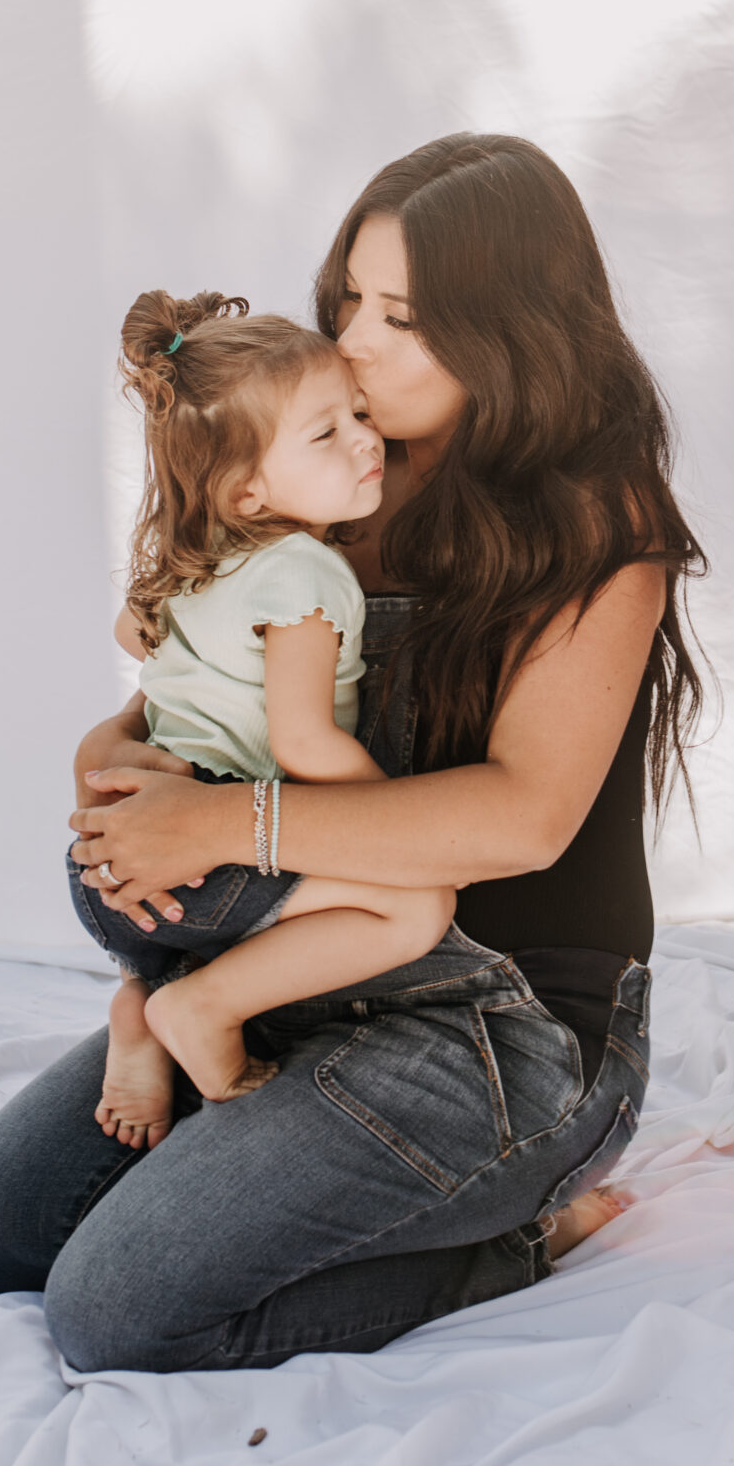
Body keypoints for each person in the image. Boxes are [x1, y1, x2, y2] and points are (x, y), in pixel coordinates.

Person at [0, 133, 703, 1369]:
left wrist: (222, 826)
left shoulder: (601, 523)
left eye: (402, 315)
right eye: (349, 294)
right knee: (1, 1229)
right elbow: (207, 692)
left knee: (111, 1313)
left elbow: (525, 817)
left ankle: (524, 1229)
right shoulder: (324, 473)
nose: (352, 337)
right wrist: (127, 755)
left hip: (505, 1024)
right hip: (302, 962)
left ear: (513, 331)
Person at [75, 291, 455, 1146]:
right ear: (248, 493)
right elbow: (302, 741)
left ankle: (139, 1005)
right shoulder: (305, 573)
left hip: (122, 875)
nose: (366, 439)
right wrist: (390, 819)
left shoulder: (193, 561)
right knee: (416, 903)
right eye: (325, 434)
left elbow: (130, 634)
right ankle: (200, 1008)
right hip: (197, 862)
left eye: (357, 414)